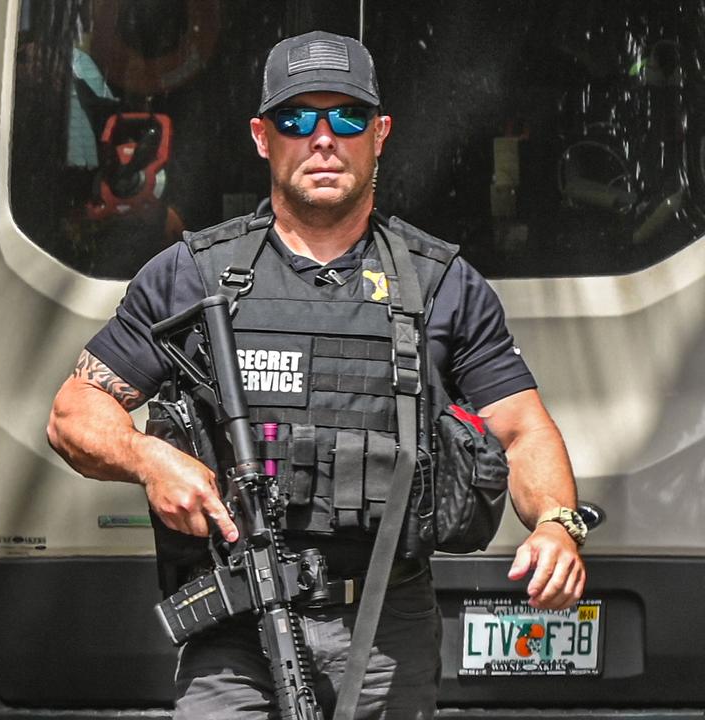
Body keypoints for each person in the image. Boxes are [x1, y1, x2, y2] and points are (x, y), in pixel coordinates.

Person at [46, 30, 588, 719]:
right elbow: (73, 413)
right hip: (235, 626)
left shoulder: (441, 285)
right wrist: (148, 459)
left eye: (348, 116)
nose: (323, 137)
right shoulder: (196, 275)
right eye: (297, 118)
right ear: (263, 136)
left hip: (386, 628)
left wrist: (557, 526)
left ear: (380, 133)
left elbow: (525, 431)